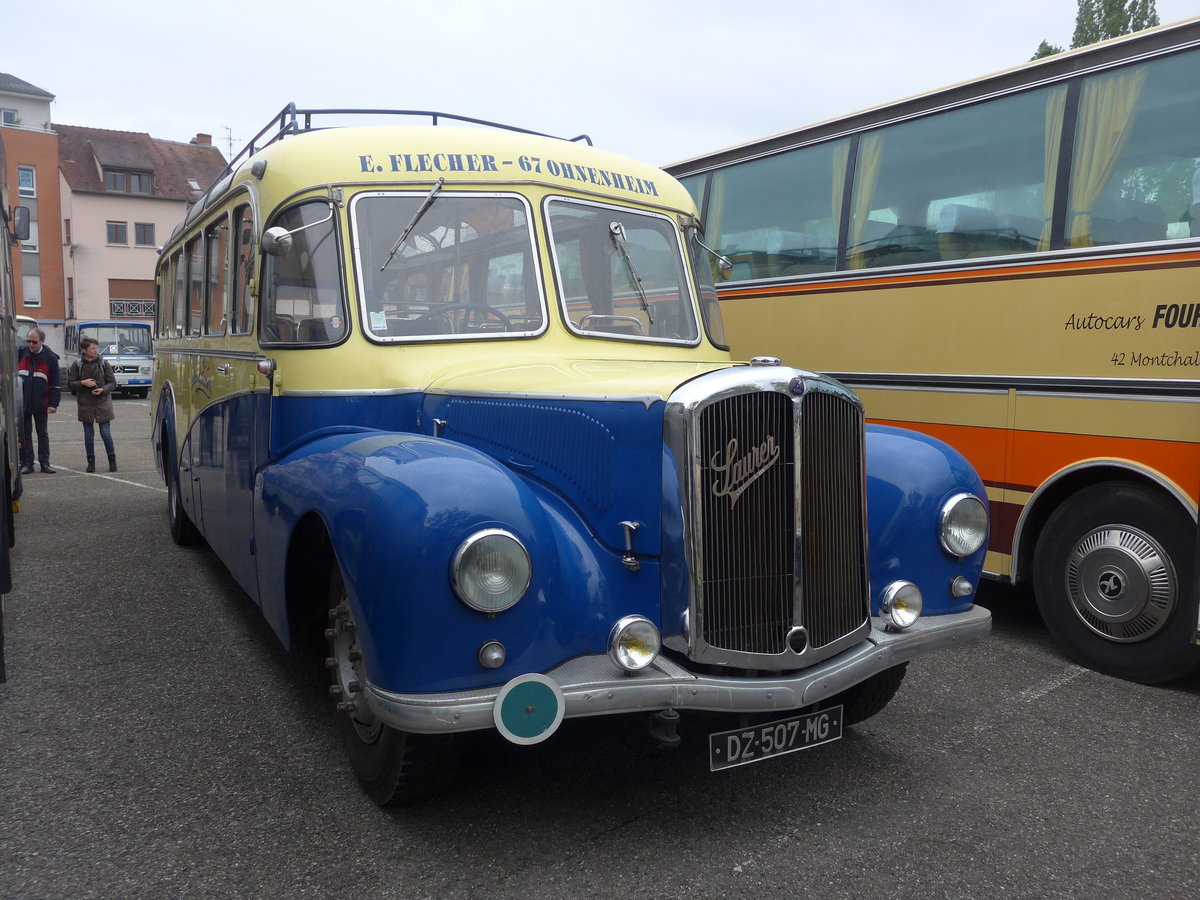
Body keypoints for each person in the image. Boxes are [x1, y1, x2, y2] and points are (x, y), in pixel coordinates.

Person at [66, 337, 118, 473]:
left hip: (103, 403)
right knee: (88, 435)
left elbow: (112, 383)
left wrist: (103, 389)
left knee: (105, 433)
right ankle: (91, 462)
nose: (96, 351)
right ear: (83, 350)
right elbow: (70, 384)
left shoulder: (103, 363)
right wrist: (82, 383)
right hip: (85, 404)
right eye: (93, 348)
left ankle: (112, 460)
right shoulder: (77, 365)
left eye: (96, 348)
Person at [17, 327, 61, 474]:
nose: (30, 345)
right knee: (25, 434)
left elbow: (55, 383)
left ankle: (45, 463)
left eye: (34, 342)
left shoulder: (51, 358)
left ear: (42, 341)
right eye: (28, 341)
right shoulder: (21, 353)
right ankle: (27, 463)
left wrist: (54, 404)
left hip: (41, 402)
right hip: (22, 402)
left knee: (42, 433)